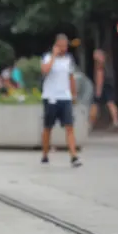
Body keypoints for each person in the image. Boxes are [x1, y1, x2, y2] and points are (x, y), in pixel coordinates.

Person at [40, 34, 81, 167]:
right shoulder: (47, 57)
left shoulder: (69, 60)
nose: (63, 49)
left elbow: (71, 77)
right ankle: (45, 154)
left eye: (65, 46)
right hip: (50, 97)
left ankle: (73, 156)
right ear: (56, 45)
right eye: (61, 46)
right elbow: (45, 70)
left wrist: (74, 94)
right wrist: (53, 55)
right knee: (48, 127)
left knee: (69, 127)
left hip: (65, 97)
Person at [90, 49, 118, 130]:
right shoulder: (108, 64)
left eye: (95, 55)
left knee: (95, 104)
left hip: (104, 86)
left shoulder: (99, 65)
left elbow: (100, 77)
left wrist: (98, 90)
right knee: (111, 103)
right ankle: (116, 121)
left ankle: (91, 122)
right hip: (109, 85)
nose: (94, 57)